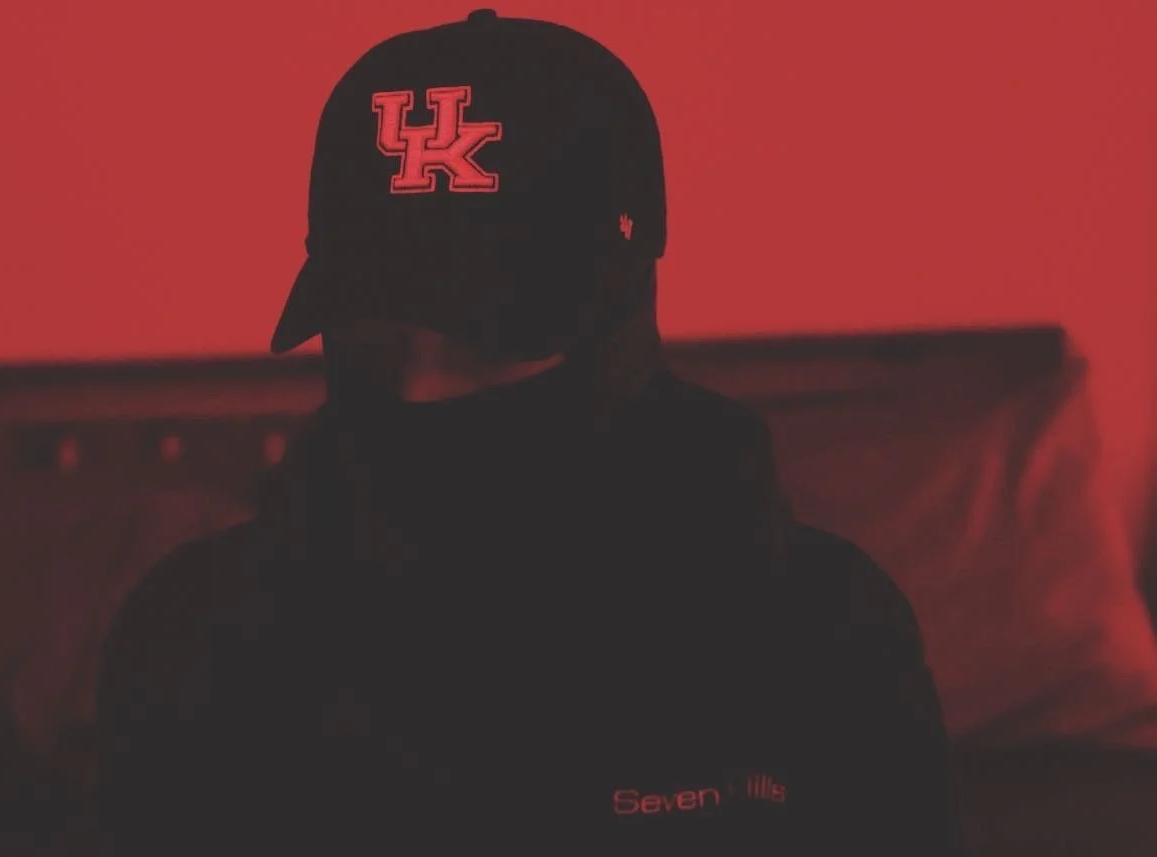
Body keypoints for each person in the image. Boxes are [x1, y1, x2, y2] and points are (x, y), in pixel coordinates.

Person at [95, 9, 963, 855]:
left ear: (622, 321)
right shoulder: (199, 642)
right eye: (376, 343)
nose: (421, 391)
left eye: (487, 343)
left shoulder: (824, 640)